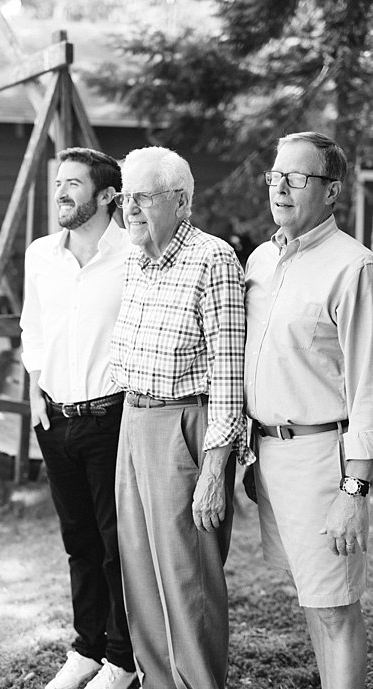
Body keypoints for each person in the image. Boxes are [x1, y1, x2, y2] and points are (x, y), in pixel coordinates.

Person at [108, 146, 245, 689]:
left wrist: (214, 471)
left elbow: (229, 377)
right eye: (125, 197)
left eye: (142, 197)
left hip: (185, 428)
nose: (130, 209)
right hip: (134, 421)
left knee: (189, 579)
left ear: (181, 201)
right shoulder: (134, 259)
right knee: (140, 570)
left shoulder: (212, 260)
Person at [244, 131, 373, 689]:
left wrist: (354, 491)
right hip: (270, 456)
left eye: (296, 178)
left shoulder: (354, 267)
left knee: (336, 609)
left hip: (325, 462)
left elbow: (369, 386)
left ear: (332, 191)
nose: (281, 187)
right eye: (276, 176)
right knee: (312, 602)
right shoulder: (260, 259)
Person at [20, 148, 135, 689]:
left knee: (116, 543)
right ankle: (87, 648)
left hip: (112, 417)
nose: (61, 192)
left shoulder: (134, 254)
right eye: (58, 182)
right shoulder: (42, 254)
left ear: (107, 195)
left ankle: (122, 658)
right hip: (55, 419)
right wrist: (36, 388)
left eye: (73, 183)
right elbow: (33, 329)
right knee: (78, 542)